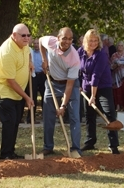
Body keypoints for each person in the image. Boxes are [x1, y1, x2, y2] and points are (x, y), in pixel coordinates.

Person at [0, 23, 34, 160]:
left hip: (17, 92)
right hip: (4, 90)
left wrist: (30, 62)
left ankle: (11, 152)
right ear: (14, 35)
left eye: (28, 35)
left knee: (15, 122)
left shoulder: (24, 45)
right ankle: (5, 154)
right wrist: (27, 97)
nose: (27, 38)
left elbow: (27, 54)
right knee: (9, 122)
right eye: (23, 35)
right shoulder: (7, 52)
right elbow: (10, 81)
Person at [39, 27, 81, 156]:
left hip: (70, 86)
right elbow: (40, 41)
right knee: (48, 116)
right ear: (58, 38)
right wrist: (44, 59)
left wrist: (63, 105)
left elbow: (69, 85)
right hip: (51, 82)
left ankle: (75, 148)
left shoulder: (74, 58)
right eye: (64, 38)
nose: (67, 42)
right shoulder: (51, 42)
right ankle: (48, 147)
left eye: (70, 39)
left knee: (74, 117)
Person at [78, 29, 120, 154]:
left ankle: (113, 145)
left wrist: (93, 96)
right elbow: (76, 68)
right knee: (89, 116)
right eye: (91, 40)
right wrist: (79, 84)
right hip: (86, 87)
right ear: (86, 40)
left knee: (109, 114)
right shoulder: (80, 52)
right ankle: (90, 142)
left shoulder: (101, 54)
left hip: (103, 86)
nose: (93, 43)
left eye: (96, 40)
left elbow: (96, 76)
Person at [26, 38, 46, 124]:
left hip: (43, 75)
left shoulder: (45, 53)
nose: (36, 45)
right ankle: (30, 118)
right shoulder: (31, 52)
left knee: (45, 97)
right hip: (33, 76)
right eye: (35, 43)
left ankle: (45, 117)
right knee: (32, 96)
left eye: (38, 43)